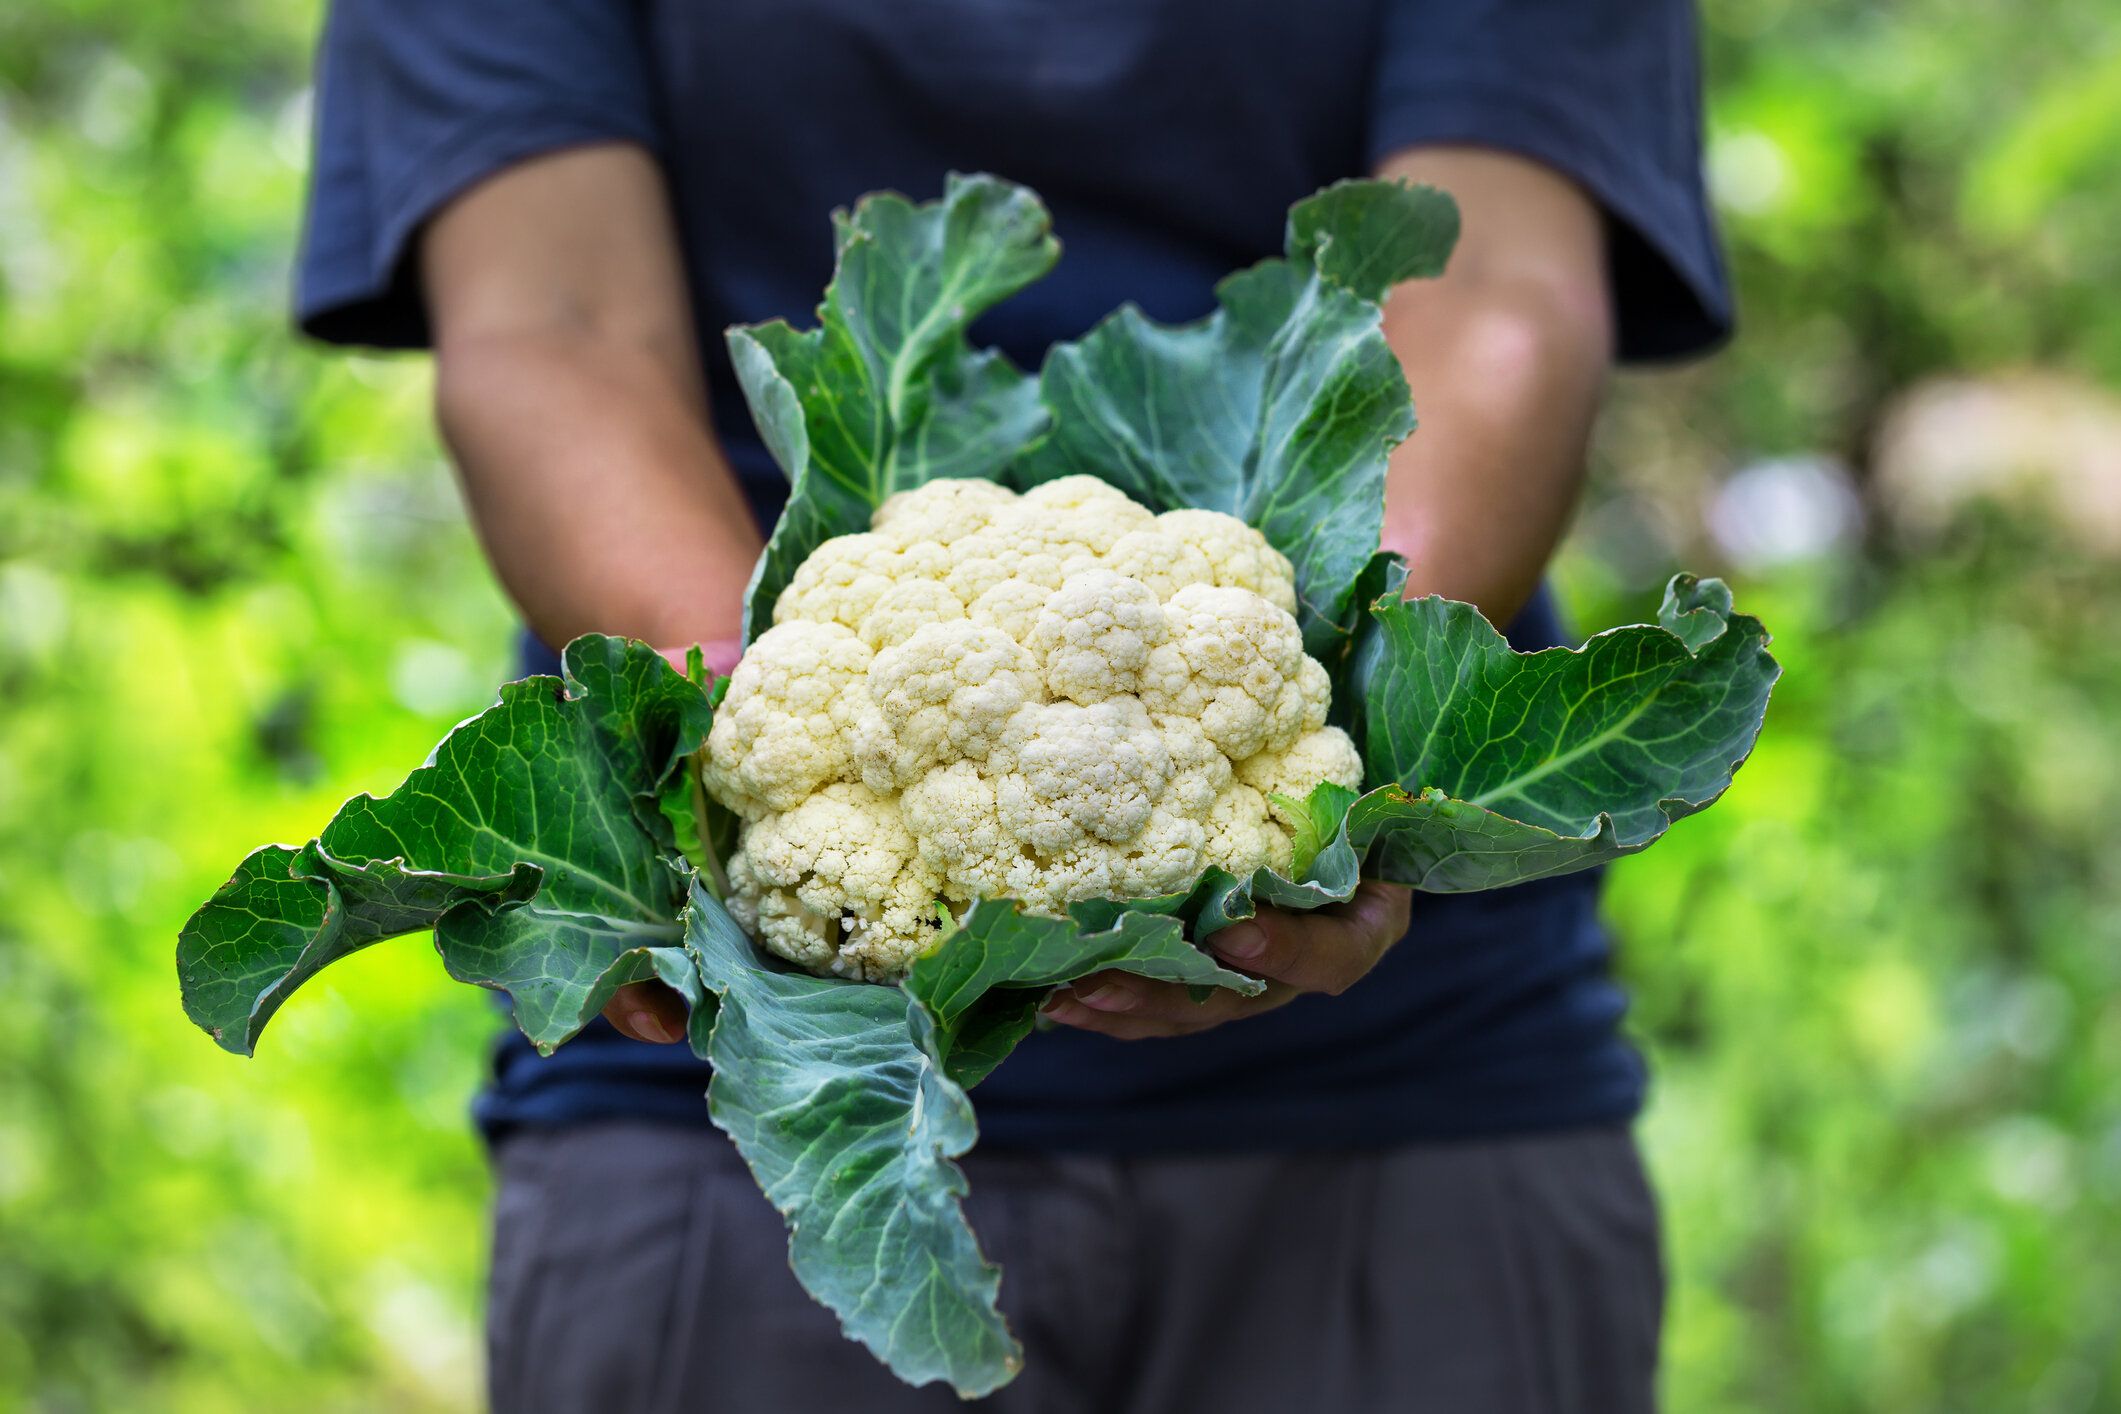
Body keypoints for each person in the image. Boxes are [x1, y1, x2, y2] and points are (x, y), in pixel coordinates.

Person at [296, 1, 1729, 1408]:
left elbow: (1494, 293)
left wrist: (1334, 747)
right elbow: (550, 325)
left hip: (1411, 1109)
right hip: (751, 1133)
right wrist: (740, 731)